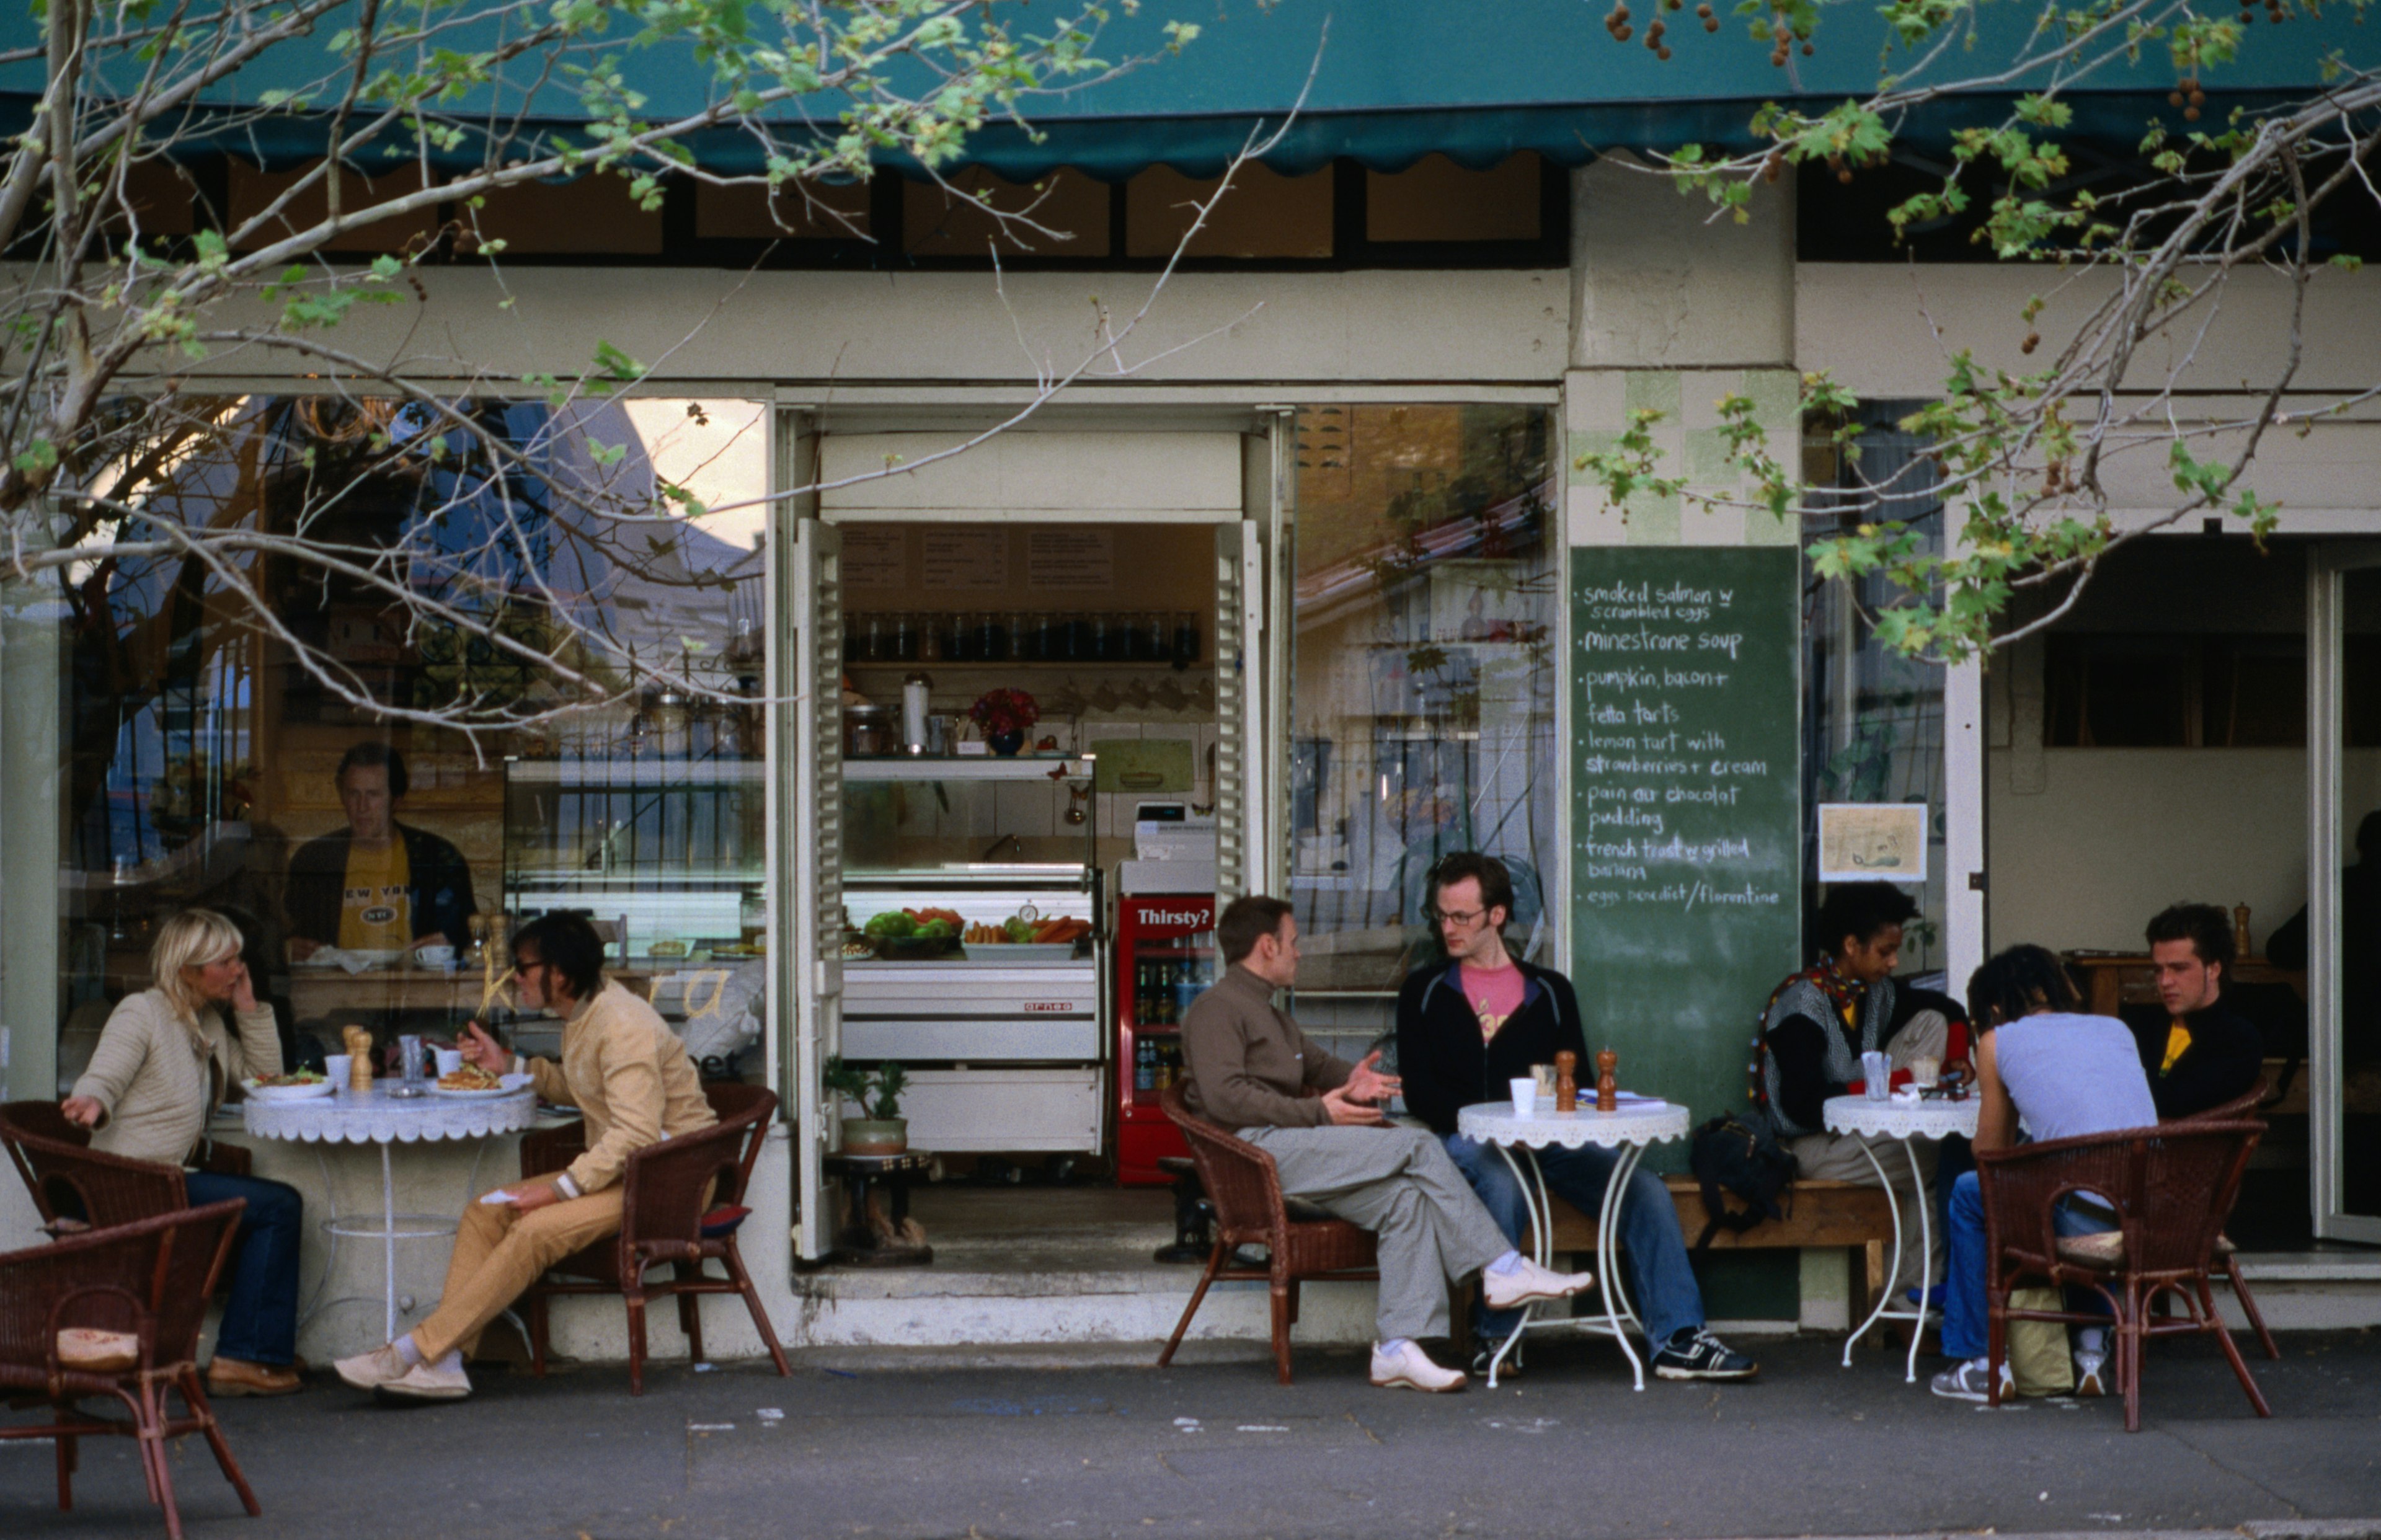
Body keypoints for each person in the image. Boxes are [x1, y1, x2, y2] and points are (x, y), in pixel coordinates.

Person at [1181, 895, 1596, 1394]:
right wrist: (1320, 1112)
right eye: (1293, 943)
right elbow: (1226, 1099)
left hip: (1288, 1146)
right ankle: (1500, 1266)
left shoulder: (1270, 1012)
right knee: (1419, 1148)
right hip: (1256, 1157)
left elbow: (1315, 1065)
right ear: (1267, 946)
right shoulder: (1216, 1009)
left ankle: (1396, 1348)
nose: (1299, 953)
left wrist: (1353, 1079)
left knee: (1406, 1201)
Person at [1396, 852, 1758, 1381]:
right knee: (1501, 1184)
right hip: (1470, 1141)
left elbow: (1580, 1083)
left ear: (1496, 915)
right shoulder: (1424, 991)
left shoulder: (1549, 991)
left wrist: (1543, 1125)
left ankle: (1679, 1338)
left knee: (1645, 1190)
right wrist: (1499, 1125)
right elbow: (1421, 1093)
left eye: (1461, 917)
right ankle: (1497, 1339)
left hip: (1553, 1141)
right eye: (1441, 917)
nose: (1447, 928)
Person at [333, 913, 715, 1402]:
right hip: (630, 1171)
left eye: (522, 966)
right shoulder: (586, 1014)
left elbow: (637, 1132)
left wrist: (558, 1191)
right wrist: (509, 1065)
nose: (514, 976)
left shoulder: (622, 1023)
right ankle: (446, 1363)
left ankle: (412, 1351)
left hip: (670, 1180)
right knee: (487, 1210)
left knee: (533, 1229)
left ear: (559, 973)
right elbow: (586, 1090)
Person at [60, 909, 305, 1398]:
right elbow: (106, 1073)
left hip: (169, 1178)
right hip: (135, 1184)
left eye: (239, 958)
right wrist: (92, 1100)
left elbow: (265, 1081)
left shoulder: (206, 1019)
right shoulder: (142, 1011)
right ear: (187, 968)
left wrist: (249, 1007)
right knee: (279, 1207)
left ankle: (253, 1347)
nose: (238, 969)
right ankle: (246, 1355)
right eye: (225, 962)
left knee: (275, 1204)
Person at [1931, 945, 2159, 1401]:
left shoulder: (1998, 1041)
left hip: (2081, 1217)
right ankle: (2091, 1351)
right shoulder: (2115, 1029)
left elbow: (1991, 1155)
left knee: (1968, 1192)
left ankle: (1979, 1363)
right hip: (2153, 1212)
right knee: (2099, 1189)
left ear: (1994, 1007)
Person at [1757, 882, 1954, 1293]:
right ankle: (1911, 1293)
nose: (1894, 962)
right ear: (1851, 945)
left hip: (1861, 1130)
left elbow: (1946, 1009)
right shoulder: (1801, 1004)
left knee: (1933, 1023)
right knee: (1935, 1157)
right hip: (1811, 1145)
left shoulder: (1874, 991)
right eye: (1885, 951)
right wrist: (1876, 1093)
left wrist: (1961, 1059)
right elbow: (1801, 1106)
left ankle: (1915, 1293)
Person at [283, 742, 476, 961]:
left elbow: (469, 934)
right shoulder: (313, 860)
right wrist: (287, 948)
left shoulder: (437, 857)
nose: (362, 807)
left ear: (397, 800)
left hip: (416, 989)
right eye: (353, 794)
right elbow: (284, 933)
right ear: (341, 795)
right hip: (333, 988)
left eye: (373, 794)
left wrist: (451, 943)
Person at [2120, 903, 2266, 1120]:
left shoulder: (2238, 1038)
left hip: (2192, 1151)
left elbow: (2178, 1104)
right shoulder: (2140, 1025)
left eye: (2179, 969)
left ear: (2214, 969)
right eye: (2158, 970)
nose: (2165, 981)